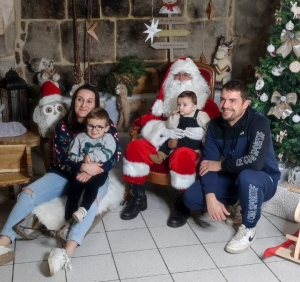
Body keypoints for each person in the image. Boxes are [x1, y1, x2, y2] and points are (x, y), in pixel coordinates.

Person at [0, 84, 121, 276]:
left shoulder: (105, 124)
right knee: (27, 193)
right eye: (80, 99)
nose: (84, 104)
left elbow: (115, 155)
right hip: (63, 173)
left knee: (92, 200)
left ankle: (66, 252)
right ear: (74, 101)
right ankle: (4, 241)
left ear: (96, 104)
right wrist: (82, 166)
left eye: (89, 101)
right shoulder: (63, 126)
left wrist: (92, 171)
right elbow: (62, 158)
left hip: (96, 174)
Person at [183, 79, 281, 254]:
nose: (225, 105)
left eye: (233, 101)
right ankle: (237, 202)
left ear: (245, 104)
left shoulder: (259, 123)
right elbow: (207, 164)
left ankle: (249, 227)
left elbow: (254, 162)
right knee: (191, 197)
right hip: (233, 176)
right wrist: (211, 197)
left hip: (262, 178)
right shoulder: (214, 125)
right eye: (223, 99)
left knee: (248, 177)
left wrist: (220, 165)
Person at [121, 57, 220, 227]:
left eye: (186, 75)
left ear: (195, 78)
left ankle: (182, 203)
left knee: (181, 156)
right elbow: (150, 118)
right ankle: (138, 198)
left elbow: (216, 126)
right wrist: (164, 130)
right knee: (135, 147)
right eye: (177, 75)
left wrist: (203, 137)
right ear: (170, 80)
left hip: (189, 145)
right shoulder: (164, 102)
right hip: (162, 138)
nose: (181, 79)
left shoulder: (205, 104)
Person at [65, 107, 116, 223]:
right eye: (91, 126)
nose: (94, 130)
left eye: (99, 127)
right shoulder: (79, 138)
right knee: (74, 188)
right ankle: (68, 219)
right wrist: (84, 162)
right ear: (86, 125)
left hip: (99, 171)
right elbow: (72, 155)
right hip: (82, 170)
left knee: (93, 185)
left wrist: (90, 156)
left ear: (106, 128)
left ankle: (83, 209)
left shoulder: (108, 138)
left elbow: (108, 153)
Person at [149, 91, 210, 164]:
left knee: (175, 143)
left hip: (194, 142)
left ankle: (174, 150)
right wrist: (174, 117)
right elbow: (170, 126)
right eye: (179, 104)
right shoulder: (177, 114)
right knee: (167, 142)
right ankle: (160, 156)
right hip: (179, 137)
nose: (180, 107)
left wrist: (204, 138)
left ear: (194, 107)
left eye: (184, 105)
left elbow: (209, 127)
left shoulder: (200, 115)